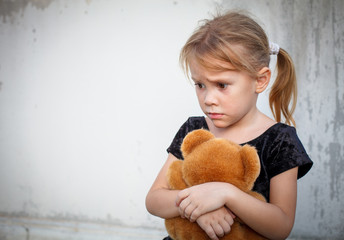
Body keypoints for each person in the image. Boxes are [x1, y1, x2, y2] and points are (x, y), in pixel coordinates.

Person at [146, 10, 313, 240]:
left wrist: (226, 194)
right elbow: (154, 200)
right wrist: (198, 208)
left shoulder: (280, 140)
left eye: (222, 85)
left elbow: (281, 226)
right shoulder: (193, 129)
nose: (208, 99)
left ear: (260, 80)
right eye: (200, 85)